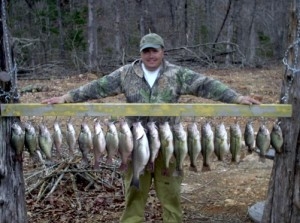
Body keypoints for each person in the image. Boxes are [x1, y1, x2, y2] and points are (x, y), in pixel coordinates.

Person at [42, 33, 260, 223]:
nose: (151, 56)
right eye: (146, 52)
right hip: (133, 144)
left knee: (171, 194)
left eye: (154, 51)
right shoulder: (126, 73)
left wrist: (237, 97)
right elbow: (97, 87)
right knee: (134, 193)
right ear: (141, 53)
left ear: (162, 51)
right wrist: (67, 97)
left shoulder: (177, 74)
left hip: (169, 144)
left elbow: (207, 85)